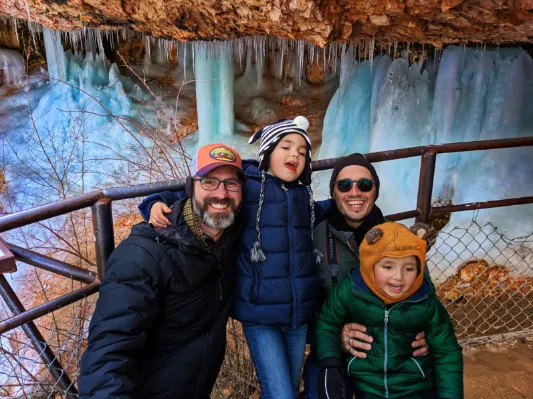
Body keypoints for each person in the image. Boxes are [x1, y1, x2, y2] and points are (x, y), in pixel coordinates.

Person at [139, 116, 330, 399]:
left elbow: (328, 210)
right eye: (286, 147)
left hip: (297, 314)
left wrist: (355, 205)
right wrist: (154, 202)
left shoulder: (303, 196)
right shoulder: (249, 186)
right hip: (259, 314)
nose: (295, 155)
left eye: (303, 152)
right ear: (267, 152)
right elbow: (194, 191)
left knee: (286, 388)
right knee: (281, 394)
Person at [78, 143, 246, 398]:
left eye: (231, 183)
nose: (222, 194)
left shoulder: (229, 238)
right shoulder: (141, 256)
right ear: (190, 188)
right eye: (209, 182)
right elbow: (109, 351)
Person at [303, 154, 428, 398]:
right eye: (344, 185)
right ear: (334, 192)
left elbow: (422, 294)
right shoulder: (311, 236)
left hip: (388, 348)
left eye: (365, 185)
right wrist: (336, 336)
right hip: (332, 349)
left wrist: (426, 332)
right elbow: (298, 305)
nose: (355, 192)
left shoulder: (397, 237)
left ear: (375, 191)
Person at [315, 222, 464, 399]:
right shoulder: (350, 290)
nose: (398, 277)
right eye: (387, 267)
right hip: (368, 388)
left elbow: (447, 353)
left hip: (415, 388)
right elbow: (327, 323)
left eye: (409, 268)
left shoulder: (425, 301)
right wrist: (330, 363)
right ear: (370, 264)